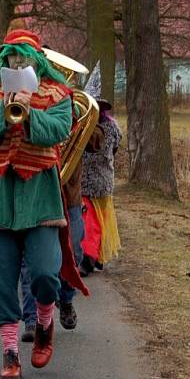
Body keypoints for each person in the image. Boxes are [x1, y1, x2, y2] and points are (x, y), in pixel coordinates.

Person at [0, 30, 87, 379]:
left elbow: (59, 131)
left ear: (37, 61)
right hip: (0, 192)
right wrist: (5, 109)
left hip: (40, 192)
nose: (17, 64)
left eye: (23, 58)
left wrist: (30, 111)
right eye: (12, 59)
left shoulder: (57, 93)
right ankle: (9, 352)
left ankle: (46, 323)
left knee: (46, 271)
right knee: (3, 278)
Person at [79, 98, 122, 275]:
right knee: (100, 220)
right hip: (104, 181)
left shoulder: (85, 126)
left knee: (91, 222)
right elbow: (115, 149)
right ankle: (96, 257)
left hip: (90, 182)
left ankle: (89, 259)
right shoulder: (113, 127)